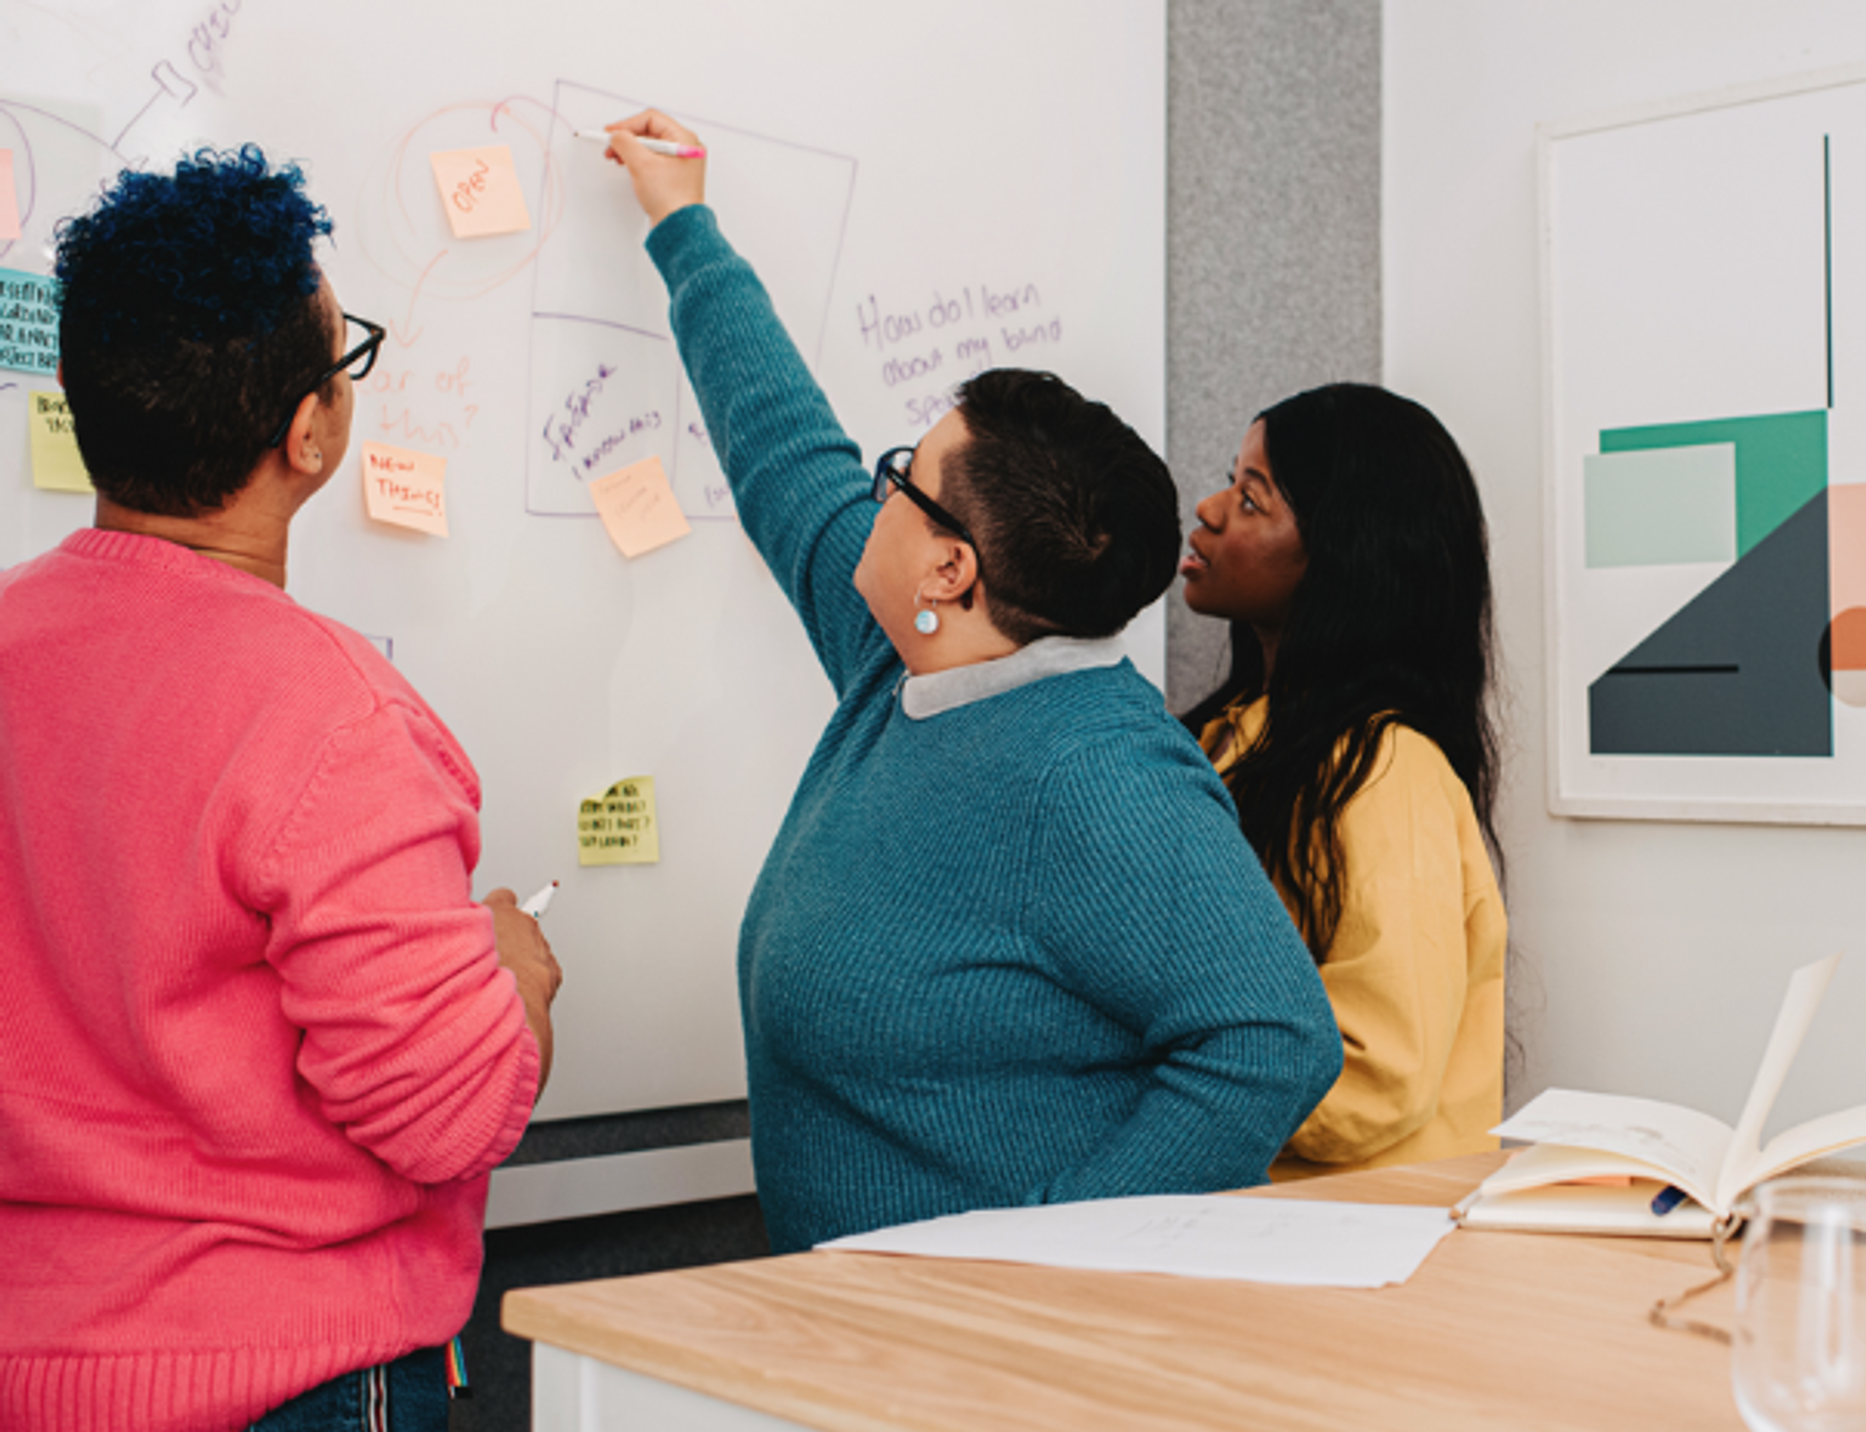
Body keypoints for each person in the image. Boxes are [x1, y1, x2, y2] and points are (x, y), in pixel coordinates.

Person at [598, 111, 1342, 1254]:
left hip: (991, 1369)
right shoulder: (905, 658)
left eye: (904, 475)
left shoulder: (1098, 771)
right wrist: (684, 223)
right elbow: (786, 450)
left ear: (952, 568)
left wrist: (1050, 1259)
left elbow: (1272, 1036)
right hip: (854, 1334)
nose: (875, 487)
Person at [0, 147, 562, 1432]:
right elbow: (451, 1110)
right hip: (291, 1377)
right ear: (310, 433)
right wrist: (515, 973)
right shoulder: (333, 714)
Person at [1179, 384, 1507, 1179]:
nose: (1210, 507)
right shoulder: (1221, 740)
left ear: (1341, 556)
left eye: (1252, 499)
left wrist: (1154, 1092)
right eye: (1232, 479)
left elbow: (1376, 1070)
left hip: (1352, 1247)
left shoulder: (1388, 773)